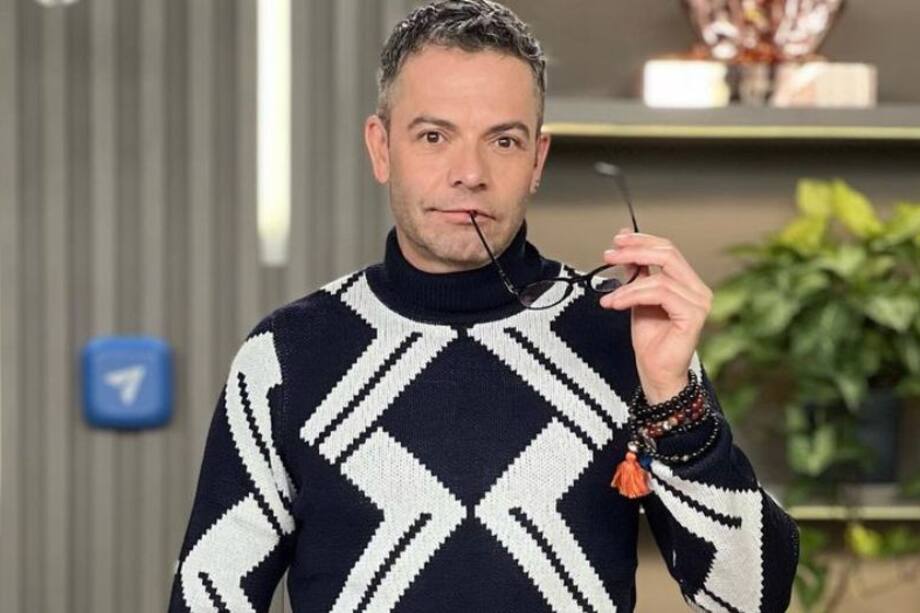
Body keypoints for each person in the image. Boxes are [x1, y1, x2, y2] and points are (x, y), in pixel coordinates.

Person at [168, 1, 799, 611]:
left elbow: (752, 597)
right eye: (434, 135)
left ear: (537, 161)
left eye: (502, 141)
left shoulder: (626, 334)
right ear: (381, 148)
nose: (469, 172)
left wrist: (673, 401)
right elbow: (208, 597)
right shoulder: (287, 356)